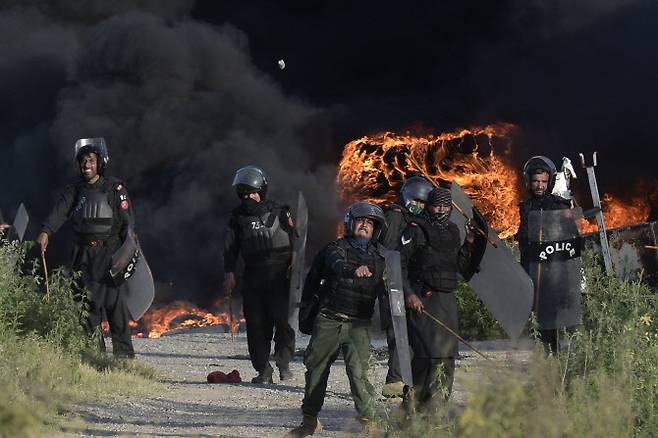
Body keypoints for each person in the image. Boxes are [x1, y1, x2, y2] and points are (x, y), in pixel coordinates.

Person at [287, 202, 388, 437]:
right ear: (351, 224)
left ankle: (370, 423)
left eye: (370, 223)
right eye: (360, 221)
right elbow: (336, 264)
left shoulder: (381, 258)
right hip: (330, 319)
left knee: (358, 372)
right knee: (316, 369)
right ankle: (309, 421)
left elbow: (393, 287)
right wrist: (352, 270)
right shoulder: (335, 248)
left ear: (375, 230)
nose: (364, 225)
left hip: (359, 325)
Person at [36, 138, 136, 357]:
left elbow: (128, 223)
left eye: (90, 160)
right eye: (82, 161)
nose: (86, 164)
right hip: (83, 255)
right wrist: (46, 231)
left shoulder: (114, 188)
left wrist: (126, 251)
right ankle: (94, 357)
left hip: (109, 253)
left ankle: (124, 359)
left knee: (115, 308)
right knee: (87, 308)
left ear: (100, 163)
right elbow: (59, 212)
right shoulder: (74, 190)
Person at [400, 187, 476, 411]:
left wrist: (469, 241)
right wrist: (409, 294)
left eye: (445, 206)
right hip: (423, 299)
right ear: (428, 205)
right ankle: (410, 413)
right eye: (436, 205)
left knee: (447, 358)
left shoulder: (453, 230)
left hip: (446, 301)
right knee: (426, 357)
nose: (441, 210)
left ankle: (436, 413)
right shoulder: (415, 229)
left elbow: (460, 266)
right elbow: (399, 264)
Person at [223, 166, 297, 383]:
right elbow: (230, 248)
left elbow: (296, 242)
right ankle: (263, 369)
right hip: (253, 275)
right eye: (243, 194)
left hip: (280, 275)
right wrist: (229, 273)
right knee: (256, 325)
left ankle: (283, 363)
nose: (248, 198)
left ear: (261, 191)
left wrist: (294, 268)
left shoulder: (280, 211)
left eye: (251, 193)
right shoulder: (237, 218)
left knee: (283, 322)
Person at [379, 176, 433, 398]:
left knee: (409, 333)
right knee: (398, 333)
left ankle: (404, 381)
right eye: (416, 201)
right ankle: (394, 383)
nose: (419, 206)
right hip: (393, 283)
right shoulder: (395, 216)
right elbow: (389, 252)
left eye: (423, 203)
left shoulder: (417, 220)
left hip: (407, 282)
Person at [514, 156, 571, 353]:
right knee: (535, 319)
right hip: (531, 269)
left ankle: (554, 357)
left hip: (552, 272)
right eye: (536, 181)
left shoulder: (558, 206)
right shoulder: (525, 207)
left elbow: (568, 239)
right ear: (529, 181)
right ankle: (541, 358)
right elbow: (523, 240)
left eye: (544, 182)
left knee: (550, 319)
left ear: (550, 182)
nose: (540, 186)